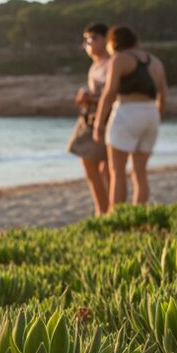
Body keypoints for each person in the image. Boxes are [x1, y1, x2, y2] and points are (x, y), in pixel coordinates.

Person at [93, 26, 168, 212]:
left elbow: (109, 93)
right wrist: (156, 117)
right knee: (140, 173)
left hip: (127, 111)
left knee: (117, 171)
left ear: (113, 42)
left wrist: (98, 124)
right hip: (151, 114)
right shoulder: (155, 62)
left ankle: (117, 216)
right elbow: (164, 96)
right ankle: (138, 214)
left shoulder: (120, 59)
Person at [67, 22, 110, 215]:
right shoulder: (95, 65)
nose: (88, 44)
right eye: (85, 40)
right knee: (89, 163)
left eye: (92, 39)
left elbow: (112, 95)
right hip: (90, 118)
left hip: (106, 119)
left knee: (107, 168)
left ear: (106, 39)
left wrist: (91, 97)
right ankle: (102, 209)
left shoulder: (113, 62)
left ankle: (109, 210)